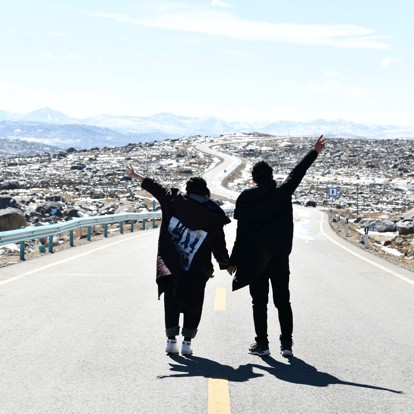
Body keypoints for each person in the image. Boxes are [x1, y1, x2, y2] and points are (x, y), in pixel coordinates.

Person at [227, 135, 326, 357]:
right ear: (271, 177)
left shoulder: (246, 199)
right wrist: (314, 151)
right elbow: (297, 173)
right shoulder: (282, 193)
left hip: (255, 259)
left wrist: (233, 261)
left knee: (259, 303)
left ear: (253, 180)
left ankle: (262, 344)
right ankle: (287, 344)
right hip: (279, 258)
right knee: (283, 301)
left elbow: (241, 234)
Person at [127, 165, 230, 355]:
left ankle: (171, 341)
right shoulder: (213, 215)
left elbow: (157, 189)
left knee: (171, 301)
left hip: (172, 265)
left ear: (187, 191)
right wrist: (226, 264)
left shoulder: (173, 201)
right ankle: (187, 344)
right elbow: (219, 244)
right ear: (205, 192)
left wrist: (136, 175)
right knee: (194, 303)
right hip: (198, 268)